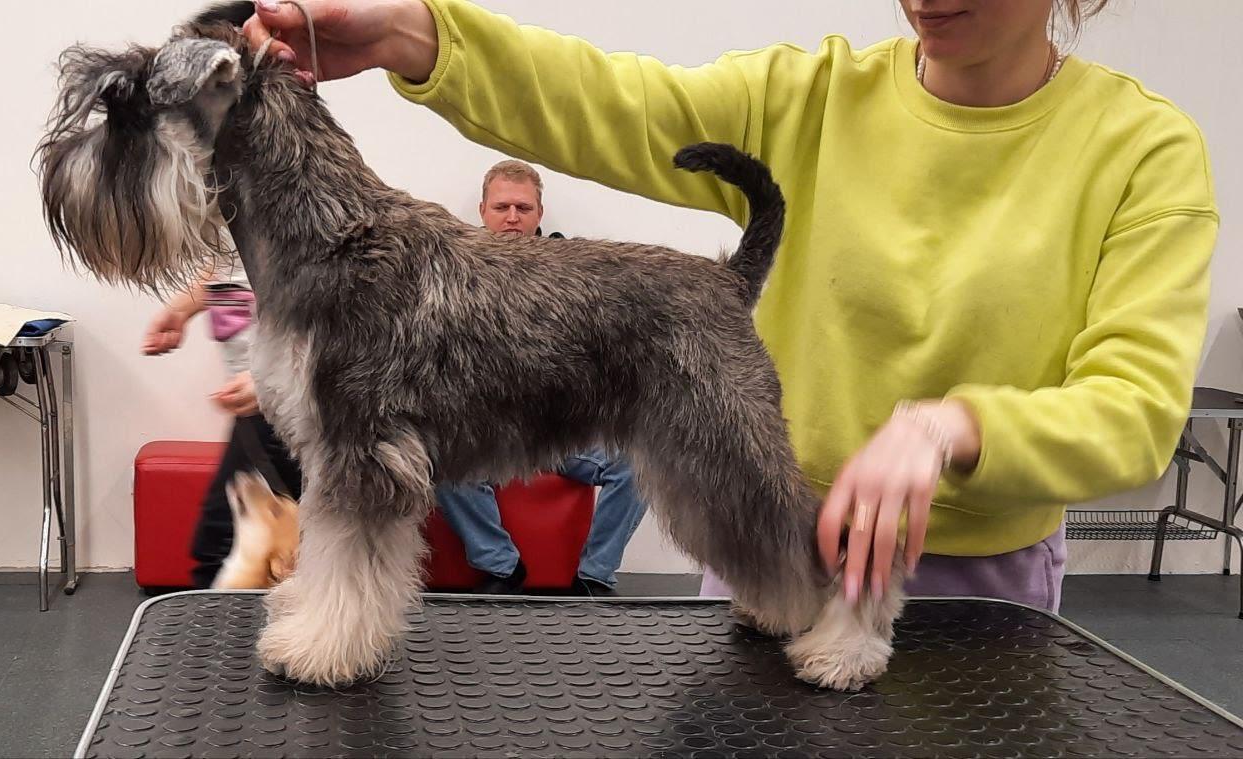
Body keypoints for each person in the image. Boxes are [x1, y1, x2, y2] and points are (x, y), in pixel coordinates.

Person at [247, 0, 1219, 612]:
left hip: (982, 589)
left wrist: (953, 426)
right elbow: (609, 100)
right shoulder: (811, 93)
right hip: (764, 551)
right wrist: (415, 32)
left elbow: (1135, 413)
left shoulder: (1141, 150)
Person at [433, 159, 649, 595]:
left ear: (539, 214)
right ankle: (501, 567)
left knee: (639, 464)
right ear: (483, 211)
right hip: (487, 430)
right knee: (438, 459)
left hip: (560, 430)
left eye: (523, 208)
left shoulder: (573, 273)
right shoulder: (454, 272)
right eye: (502, 207)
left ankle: (594, 576)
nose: (512, 217)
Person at [142, 258, 303, 589]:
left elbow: (348, 301)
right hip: (266, 398)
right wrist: (182, 309)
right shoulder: (232, 227)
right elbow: (231, 265)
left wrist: (277, 376)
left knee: (224, 546)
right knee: (224, 545)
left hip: (297, 403)